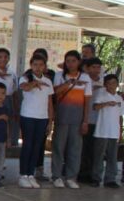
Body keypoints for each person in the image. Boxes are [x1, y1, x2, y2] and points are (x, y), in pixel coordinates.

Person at [51, 51, 92, 189]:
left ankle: (71, 177)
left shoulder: (85, 77)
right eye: (68, 61)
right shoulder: (59, 76)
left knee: (75, 149)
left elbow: (88, 101)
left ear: (79, 62)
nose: (70, 64)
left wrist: (85, 120)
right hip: (62, 117)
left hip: (77, 118)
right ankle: (56, 176)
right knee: (58, 147)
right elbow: (55, 93)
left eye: (73, 61)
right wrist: (69, 83)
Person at [18, 55, 54, 189]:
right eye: (35, 64)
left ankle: (30, 174)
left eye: (41, 65)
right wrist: (34, 83)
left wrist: (50, 121)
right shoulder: (26, 78)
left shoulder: (48, 82)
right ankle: (23, 175)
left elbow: (50, 103)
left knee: (37, 146)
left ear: (45, 66)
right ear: (31, 65)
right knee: (27, 145)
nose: (38, 67)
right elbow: (24, 87)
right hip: (28, 116)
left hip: (42, 117)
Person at [90, 74, 122, 189]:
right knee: (99, 155)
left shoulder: (119, 98)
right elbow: (95, 107)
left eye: (114, 83)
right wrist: (106, 104)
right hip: (102, 130)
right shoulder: (102, 94)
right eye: (109, 83)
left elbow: (119, 116)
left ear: (117, 84)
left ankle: (110, 178)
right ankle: (96, 177)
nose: (112, 85)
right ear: (105, 85)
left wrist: (120, 130)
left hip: (114, 131)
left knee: (113, 156)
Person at [78, 57, 104, 183]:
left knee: (96, 149)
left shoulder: (105, 82)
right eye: (93, 67)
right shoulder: (84, 81)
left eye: (98, 67)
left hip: (100, 121)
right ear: (87, 68)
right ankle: (82, 173)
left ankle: (94, 175)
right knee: (84, 148)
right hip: (86, 119)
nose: (96, 70)